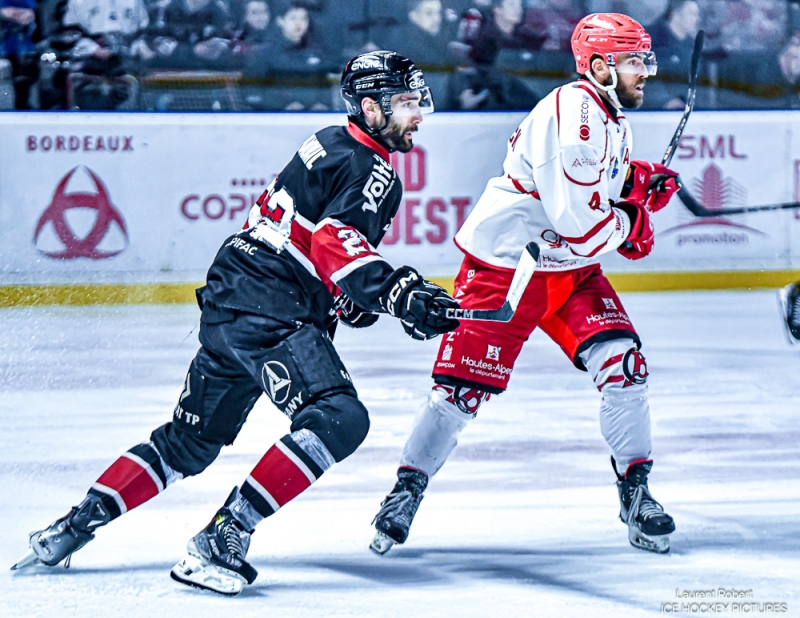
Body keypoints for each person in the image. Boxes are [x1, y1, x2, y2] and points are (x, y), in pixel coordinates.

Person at [11, 50, 460, 596]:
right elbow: (334, 242)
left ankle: (72, 526)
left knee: (188, 443)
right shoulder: (372, 168)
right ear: (370, 107)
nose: (418, 114)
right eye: (406, 103)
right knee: (338, 418)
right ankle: (223, 535)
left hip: (233, 297)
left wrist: (367, 300)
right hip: (272, 304)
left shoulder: (330, 141)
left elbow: (323, 252)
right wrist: (398, 291)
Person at [371, 12, 681, 557]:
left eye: (644, 60)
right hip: (509, 269)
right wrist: (632, 223)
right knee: (459, 393)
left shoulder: (607, 113)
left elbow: (593, 183)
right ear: (600, 66)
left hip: (571, 272)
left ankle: (636, 492)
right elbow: (580, 224)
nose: (646, 72)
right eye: (634, 61)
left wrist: (635, 180)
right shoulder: (575, 115)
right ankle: (406, 489)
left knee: (625, 369)